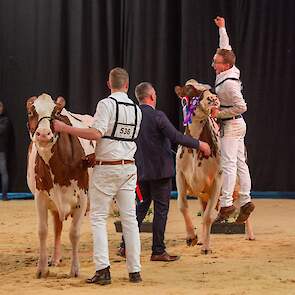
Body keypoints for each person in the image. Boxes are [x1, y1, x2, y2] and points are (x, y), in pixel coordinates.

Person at [53, 67, 143, 284]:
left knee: (99, 218)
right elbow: (125, 138)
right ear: (127, 85)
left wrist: (65, 129)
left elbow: (96, 133)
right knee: (130, 219)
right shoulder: (136, 108)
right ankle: (135, 271)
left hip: (107, 169)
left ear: (108, 83)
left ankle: (103, 270)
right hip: (129, 167)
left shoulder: (106, 104)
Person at [118, 82, 211, 262]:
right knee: (160, 211)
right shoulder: (157, 116)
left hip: (140, 171)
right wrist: (200, 144)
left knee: (140, 208)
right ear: (152, 96)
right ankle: (158, 250)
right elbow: (175, 136)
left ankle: (125, 246)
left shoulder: (132, 115)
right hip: (160, 172)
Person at [211, 16, 255, 223]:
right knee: (240, 163)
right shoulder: (230, 68)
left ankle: (227, 203)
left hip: (232, 124)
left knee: (229, 165)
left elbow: (242, 106)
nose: (213, 64)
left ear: (226, 65)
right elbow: (225, 46)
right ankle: (246, 200)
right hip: (238, 125)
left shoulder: (229, 85)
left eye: (216, 62)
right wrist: (222, 28)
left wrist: (218, 114)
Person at [0, 101, 10, 201]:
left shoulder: (5, 120)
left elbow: (2, 130)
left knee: (3, 172)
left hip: (1, 151)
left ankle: (4, 195)